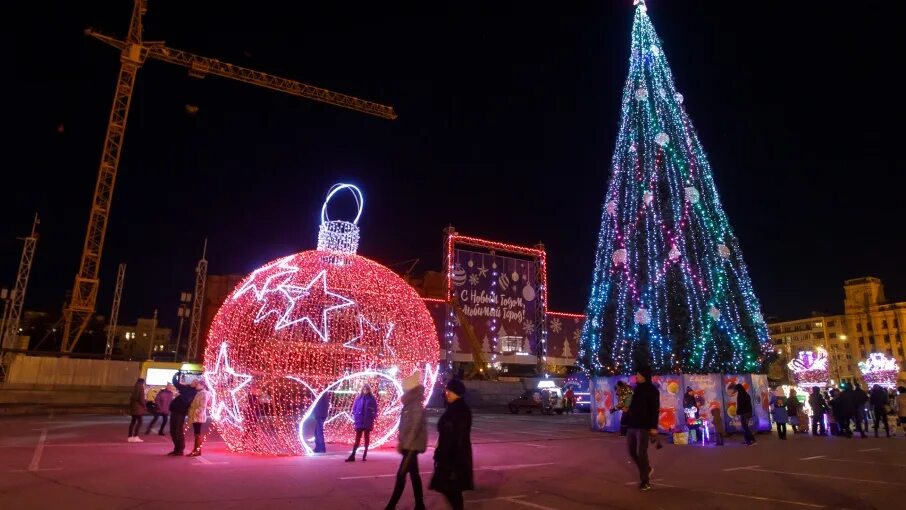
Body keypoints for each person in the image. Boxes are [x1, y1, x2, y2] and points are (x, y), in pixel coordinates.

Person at [385, 371, 427, 510]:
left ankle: (391, 506)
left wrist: (405, 445)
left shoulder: (414, 405)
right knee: (414, 475)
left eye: (404, 388)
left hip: (411, 447)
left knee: (401, 475)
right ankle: (420, 505)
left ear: (409, 389)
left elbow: (414, 428)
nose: (402, 390)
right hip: (410, 445)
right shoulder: (411, 403)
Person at [430, 379, 473, 509]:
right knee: (450, 490)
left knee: (451, 489)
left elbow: (458, 437)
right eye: (446, 390)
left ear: (456, 393)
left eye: (449, 391)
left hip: (453, 458)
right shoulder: (454, 408)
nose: (446, 393)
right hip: (449, 456)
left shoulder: (460, 411)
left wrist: (449, 458)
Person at [624, 366, 659, 491]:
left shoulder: (652, 390)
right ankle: (647, 469)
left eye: (638, 374)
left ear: (644, 375)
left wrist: (653, 427)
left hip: (644, 426)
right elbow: (628, 405)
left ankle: (645, 481)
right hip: (632, 425)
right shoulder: (634, 389)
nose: (636, 376)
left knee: (641, 453)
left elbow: (655, 409)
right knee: (631, 451)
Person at [168, 371, 197, 456]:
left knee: (177, 431)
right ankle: (177, 448)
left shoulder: (190, 391)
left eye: (194, 382)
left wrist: (176, 375)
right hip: (176, 411)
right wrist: (177, 375)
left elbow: (176, 384)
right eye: (193, 381)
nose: (192, 382)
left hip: (179, 412)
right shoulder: (188, 389)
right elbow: (177, 384)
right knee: (174, 431)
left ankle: (179, 449)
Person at [346, 383, 378, 462]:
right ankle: (353, 455)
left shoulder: (372, 399)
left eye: (366, 389)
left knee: (366, 438)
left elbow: (375, 409)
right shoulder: (359, 398)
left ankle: (364, 455)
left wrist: (372, 417)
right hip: (360, 421)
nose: (365, 390)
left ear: (369, 390)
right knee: (357, 439)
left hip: (367, 421)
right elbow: (354, 408)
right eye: (364, 389)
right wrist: (356, 416)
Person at [188, 378, 211, 456]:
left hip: (198, 416)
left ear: (202, 385)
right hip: (196, 416)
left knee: (197, 434)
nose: (196, 386)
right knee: (197, 433)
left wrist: (196, 412)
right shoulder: (199, 393)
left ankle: (196, 450)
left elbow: (202, 406)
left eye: (197, 384)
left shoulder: (203, 394)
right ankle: (197, 450)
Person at [127, 378, 147, 443]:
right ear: (143, 382)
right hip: (138, 408)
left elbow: (133, 397)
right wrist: (144, 405)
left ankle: (130, 437)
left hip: (134, 407)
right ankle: (136, 436)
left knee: (133, 422)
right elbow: (141, 398)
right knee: (140, 422)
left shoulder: (135, 387)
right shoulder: (141, 387)